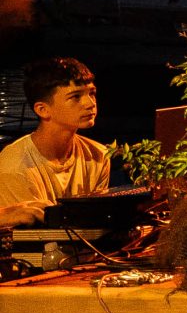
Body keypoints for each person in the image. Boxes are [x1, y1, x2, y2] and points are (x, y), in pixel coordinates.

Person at [1, 58, 111, 227]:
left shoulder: (98, 155)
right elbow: (33, 236)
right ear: (43, 109)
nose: (90, 103)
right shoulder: (15, 165)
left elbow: (96, 222)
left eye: (92, 93)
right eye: (75, 97)